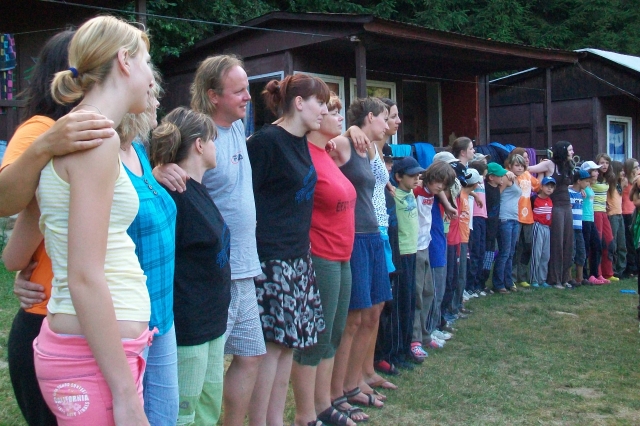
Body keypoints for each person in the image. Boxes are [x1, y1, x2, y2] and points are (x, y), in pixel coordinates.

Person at [4, 15, 154, 425]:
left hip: (97, 349)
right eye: (146, 63)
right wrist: (125, 394)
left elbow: (18, 251)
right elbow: (84, 276)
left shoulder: (85, 134)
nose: (150, 78)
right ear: (124, 60)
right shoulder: (95, 139)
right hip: (92, 356)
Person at [0, 29, 113, 426]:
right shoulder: (40, 128)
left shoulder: (106, 134)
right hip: (48, 318)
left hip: (94, 320)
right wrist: (47, 145)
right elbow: (5, 200)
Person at [153, 54, 267, 426]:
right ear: (213, 95)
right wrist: (158, 169)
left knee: (250, 355)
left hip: (245, 266)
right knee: (203, 368)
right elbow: (156, 158)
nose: (248, 97)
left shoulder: (237, 126)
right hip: (215, 272)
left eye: (247, 88)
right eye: (239, 91)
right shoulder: (196, 137)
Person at [246, 74, 328, 426]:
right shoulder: (266, 142)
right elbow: (245, 201)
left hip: (297, 257)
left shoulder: (301, 140)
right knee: (271, 349)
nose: (324, 110)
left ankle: (276, 420)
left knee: (288, 346)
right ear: (298, 103)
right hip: (271, 259)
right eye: (319, 102)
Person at [151, 107, 231, 425]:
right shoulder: (174, 195)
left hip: (212, 324)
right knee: (184, 416)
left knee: (208, 411)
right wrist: (154, 173)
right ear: (199, 145)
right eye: (213, 139)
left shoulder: (197, 187)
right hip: (189, 329)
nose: (216, 147)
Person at [290, 93, 357, 426]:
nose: (340, 118)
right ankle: (305, 415)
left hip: (343, 255)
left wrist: (350, 134)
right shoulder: (304, 157)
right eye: (333, 112)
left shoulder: (328, 153)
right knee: (315, 338)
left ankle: (323, 405)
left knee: (334, 334)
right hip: (321, 256)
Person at [117, 75, 181, 424]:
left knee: (165, 416)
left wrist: (157, 172)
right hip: (129, 322)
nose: (157, 102)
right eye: (152, 94)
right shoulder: (104, 158)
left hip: (162, 314)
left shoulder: (139, 152)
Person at [329, 97, 390, 421]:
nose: (388, 124)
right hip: (352, 236)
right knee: (351, 319)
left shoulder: (369, 149)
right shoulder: (345, 143)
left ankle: (354, 383)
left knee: (370, 312)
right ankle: (337, 390)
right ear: (369, 117)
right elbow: (320, 153)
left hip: (372, 234)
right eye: (384, 118)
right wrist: (349, 130)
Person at [413, 161, 457, 355]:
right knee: (417, 294)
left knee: (428, 292)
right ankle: (414, 339)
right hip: (414, 247)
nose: (441, 188)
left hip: (425, 243)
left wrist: (446, 204)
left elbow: (437, 190)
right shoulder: (417, 190)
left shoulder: (432, 191)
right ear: (430, 178)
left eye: (444, 185)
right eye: (439, 182)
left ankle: (425, 334)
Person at [391, 157, 426, 363]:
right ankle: (396, 351)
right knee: (400, 303)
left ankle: (406, 347)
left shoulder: (412, 191)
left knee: (410, 300)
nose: (416, 179)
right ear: (398, 177)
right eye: (412, 175)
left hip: (413, 251)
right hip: (401, 253)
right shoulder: (393, 194)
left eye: (418, 175)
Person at [528, 142, 575, 288]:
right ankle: (554, 279)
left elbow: (567, 185)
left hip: (567, 205)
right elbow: (528, 169)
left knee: (568, 242)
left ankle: (565, 277)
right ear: (563, 151)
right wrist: (541, 176)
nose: (572, 152)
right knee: (557, 243)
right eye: (570, 150)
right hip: (555, 207)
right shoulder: (549, 164)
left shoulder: (567, 166)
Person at [506, 148, 539, 288]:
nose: (526, 160)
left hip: (528, 217)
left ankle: (522, 276)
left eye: (526, 158)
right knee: (514, 247)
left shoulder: (527, 174)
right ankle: (512, 276)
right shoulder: (509, 174)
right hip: (515, 216)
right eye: (523, 157)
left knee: (527, 246)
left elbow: (538, 186)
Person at [493, 154, 524, 293]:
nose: (520, 168)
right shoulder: (507, 177)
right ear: (510, 166)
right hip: (504, 218)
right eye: (517, 165)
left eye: (522, 166)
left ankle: (508, 281)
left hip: (514, 218)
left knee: (511, 252)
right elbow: (497, 194)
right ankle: (498, 283)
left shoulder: (516, 179)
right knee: (504, 252)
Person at [482, 162, 507, 292]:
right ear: (491, 177)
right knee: (483, 256)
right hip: (486, 229)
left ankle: (484, 283)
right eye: (500, 175)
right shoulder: (486, 189)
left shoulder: (497, 188)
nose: (502, 177)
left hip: (494, 228)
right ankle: (478, 283)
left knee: (489, 257)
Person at [581, 161, 607, 284]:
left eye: (597, 170)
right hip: (584, 219)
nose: (597, 173)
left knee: (597, 246)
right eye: (594, 171)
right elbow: (571, 187)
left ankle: (595, 273)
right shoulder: (583, 187)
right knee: (585, 247)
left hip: (591, 219)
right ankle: (585, 275)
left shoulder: (590, 186)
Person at [593, 153, 617, 281]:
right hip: (594, 212)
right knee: (598, 242)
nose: (605, 165)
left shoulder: (607, 178)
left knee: (609, 241)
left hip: (603, 212)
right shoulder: (593, 177)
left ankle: (608, 272)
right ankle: (597, 273)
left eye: (607, 163)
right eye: (602, 162)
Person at [466, 160, 488, 296]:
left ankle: (477, 284)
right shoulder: (474, 179)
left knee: (480, 252)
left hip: (482, 216)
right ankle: (470, 285)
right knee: (474, 252)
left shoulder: (482, 180)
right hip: (474, 217)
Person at [530, 177, 556, 288]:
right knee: (537, 253)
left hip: (547, 227)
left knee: (546, 255)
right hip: (538, 226)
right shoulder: (534, 198)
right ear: (541, 187)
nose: (549, 189)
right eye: (547, 186)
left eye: (552, 187)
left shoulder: (550, 200)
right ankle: (534, 279)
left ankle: (542, 279)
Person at [568, 169, 592, 287]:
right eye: (586, 181)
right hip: (571, 226)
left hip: (579, 226)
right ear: (578, 181)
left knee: (581, 252)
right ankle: (569, 277)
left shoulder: (582, 193)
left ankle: (580, 277)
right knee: (571, 251)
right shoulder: (569, 192)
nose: (588, 183)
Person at [608, 160, 628, 279]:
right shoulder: (610, 185)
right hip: (612, 215)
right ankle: (613, 269)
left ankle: (621, 269)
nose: (623, 172)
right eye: (620, 170)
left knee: (622, 243)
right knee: (613, 243)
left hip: (620, 215)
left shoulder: (620, 185)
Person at [623, 158, 639, 278]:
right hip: (626, 212)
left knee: (635, 240)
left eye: (638, 166)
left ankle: (635, 266)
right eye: (635, 167)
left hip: (634, 212)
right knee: (629, 241)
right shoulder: (626, 181)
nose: (638, 169)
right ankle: (631, 267)